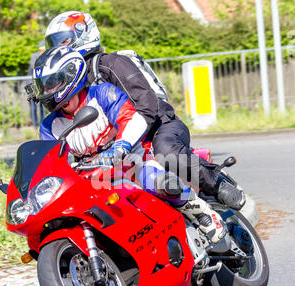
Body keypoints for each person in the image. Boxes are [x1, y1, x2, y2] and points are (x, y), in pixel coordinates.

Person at [43, 11, 246, 211]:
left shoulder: (110, 64)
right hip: (122, 142)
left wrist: (125, 140)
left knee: (167, 153)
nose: (58, 48)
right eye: (53, 44)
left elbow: (146, 104)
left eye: (62, 42)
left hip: (158, 125)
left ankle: (217, 183)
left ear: (83, 34)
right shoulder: (67, 80)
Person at [32, 46, 226, 244]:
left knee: (158, 181)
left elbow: (132, 118)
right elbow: (50, 161)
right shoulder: (49, 126)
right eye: (43, 86)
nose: (46, 91)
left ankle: (202, 213)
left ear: (70, 75)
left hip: (131, 159)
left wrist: (121, 146)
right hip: (93, 177)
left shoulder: (102, 94)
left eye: (51, 83)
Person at [27, 41, 46, 127]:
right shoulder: (34, 56)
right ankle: (35, 125)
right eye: (42, 50)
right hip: (31, 85)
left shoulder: (45, 57)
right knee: (33, 106)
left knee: (42, 106)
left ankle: (42, 123)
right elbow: (34, 67)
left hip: (40, 86)